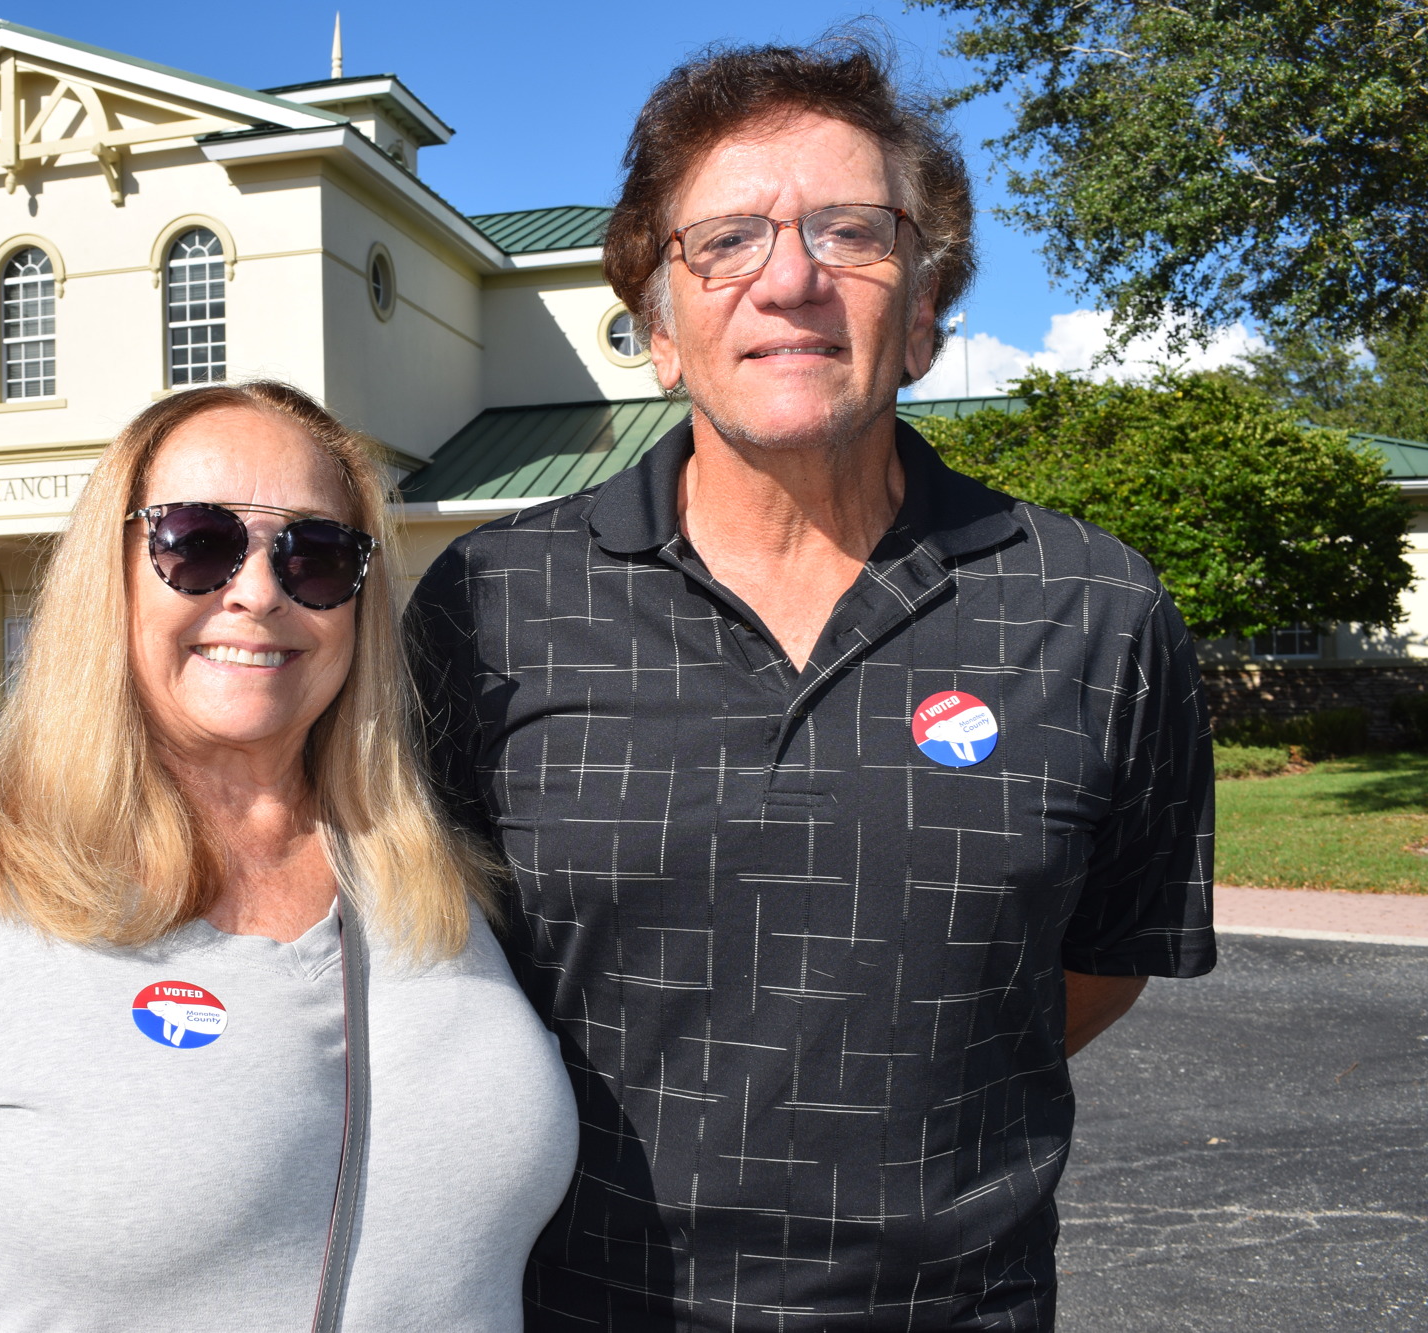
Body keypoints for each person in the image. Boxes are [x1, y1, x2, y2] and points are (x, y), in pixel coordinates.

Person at [407, 37, 1215, 1333]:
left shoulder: (1093, 607)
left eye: (851, 232)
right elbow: (422, 967)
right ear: (659, 327)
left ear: (928, 313)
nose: (789, 279)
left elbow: (1095, 966)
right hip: (582, 1306)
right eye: (725, 240)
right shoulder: (491, 607)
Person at [0, 382, 578, 1332]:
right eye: (197, 541)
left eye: (317, 554)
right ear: (115, 572)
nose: (258, 591)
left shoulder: (432, 876)